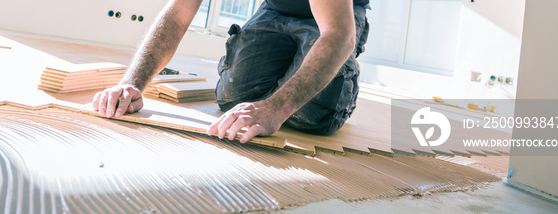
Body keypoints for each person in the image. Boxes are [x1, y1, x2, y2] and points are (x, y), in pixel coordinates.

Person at [92, 0, 370, 143]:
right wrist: (132, 83)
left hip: (337, 17)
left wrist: (276, 107)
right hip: (275, 9)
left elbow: (339, 34)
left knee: (310, 113)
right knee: (235, 97)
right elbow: (177, 15)